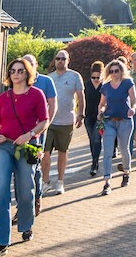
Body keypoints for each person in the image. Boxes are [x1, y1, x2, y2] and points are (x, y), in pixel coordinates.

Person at [0, 58, 47, 254]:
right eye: (13, 70)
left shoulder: (36, 94)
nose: (16, 74)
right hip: (5, 146)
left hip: (26, 147)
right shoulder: (3, 97)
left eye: (20, 70)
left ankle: (26, 225)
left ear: (27, 73)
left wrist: (29, 134)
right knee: (1, 190)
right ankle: (0, 241)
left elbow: (44, 121)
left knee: (25, 190)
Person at [45, 50, 84, 194]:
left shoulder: (75, 76)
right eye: (58, 58)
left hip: (66, 120)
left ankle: (60, 182)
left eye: (63, 59)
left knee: (62, 151)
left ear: (68, 60)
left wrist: (81, 114)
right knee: (45, 152)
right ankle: (45, 181)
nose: (60, 61)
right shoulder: (49, 78)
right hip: (49, 121)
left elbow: (80, 96)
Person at [21, 54, 56, 212]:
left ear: (36, 65)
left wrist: (46, 124)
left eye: (30, 64)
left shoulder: (46, 81)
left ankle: (37, 197)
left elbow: (53, 104)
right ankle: (23, 205)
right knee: (21, 167)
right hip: (20, 131)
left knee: (34, 164)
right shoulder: (18, 81)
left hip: (38, 130)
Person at [97, 59, 136, 195]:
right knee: (107, 151)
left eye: (116, 71)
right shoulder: (106, 86)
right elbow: (102, 103)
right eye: (112, 71)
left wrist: (133, 108)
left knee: (123, 148)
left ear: (121, 71)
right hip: (109, 121)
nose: (114, 74)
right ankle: (107, 182)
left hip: (125, 120)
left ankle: (126, 172)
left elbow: (134, 99)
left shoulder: (127, 83)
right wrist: (101, 111)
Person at [82, 61, 105, 176]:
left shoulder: (104, 86)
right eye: (93, 77)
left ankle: (94, 164)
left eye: (98, 77)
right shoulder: (86, 85)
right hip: (88, 116)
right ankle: (94, 159)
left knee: (97, 139)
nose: (96, 79)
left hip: (100, 117)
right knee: (92, 140)